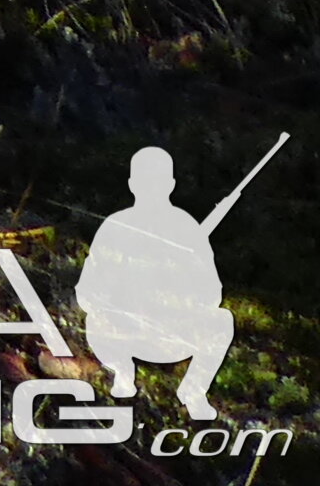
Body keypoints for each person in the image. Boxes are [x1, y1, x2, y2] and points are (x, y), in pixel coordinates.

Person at [76, 147, 236, 418]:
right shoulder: (116, 226)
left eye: (157, 182)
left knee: (222, 320)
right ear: (132, 185)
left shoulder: (188, 230)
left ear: (171, 185)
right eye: (146, 181)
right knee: (95, 318)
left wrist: (180, 281)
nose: (151, 189)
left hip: (172, 333)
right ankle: (122, 372)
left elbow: (211, 295)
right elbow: (87, 293)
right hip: (124, 333)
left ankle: (194, 391)